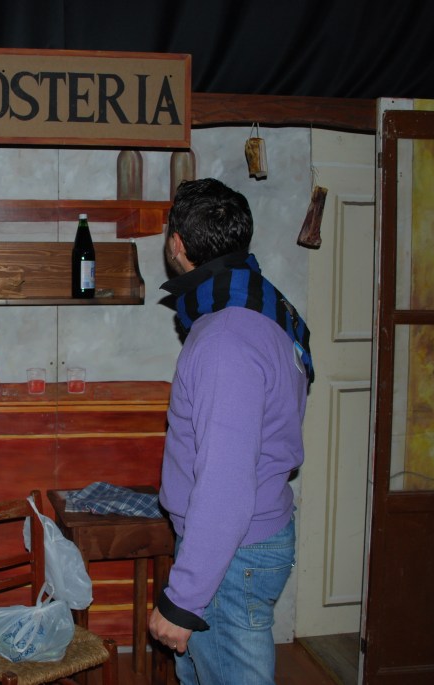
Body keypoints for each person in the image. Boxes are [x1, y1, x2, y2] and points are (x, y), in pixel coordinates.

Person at [147, 178, 314, 684]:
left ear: (177, 244)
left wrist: (184, 599)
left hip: (231, 552)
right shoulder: (263, 309)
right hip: (239, 542)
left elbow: (225, 484)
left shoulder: (224, 338)